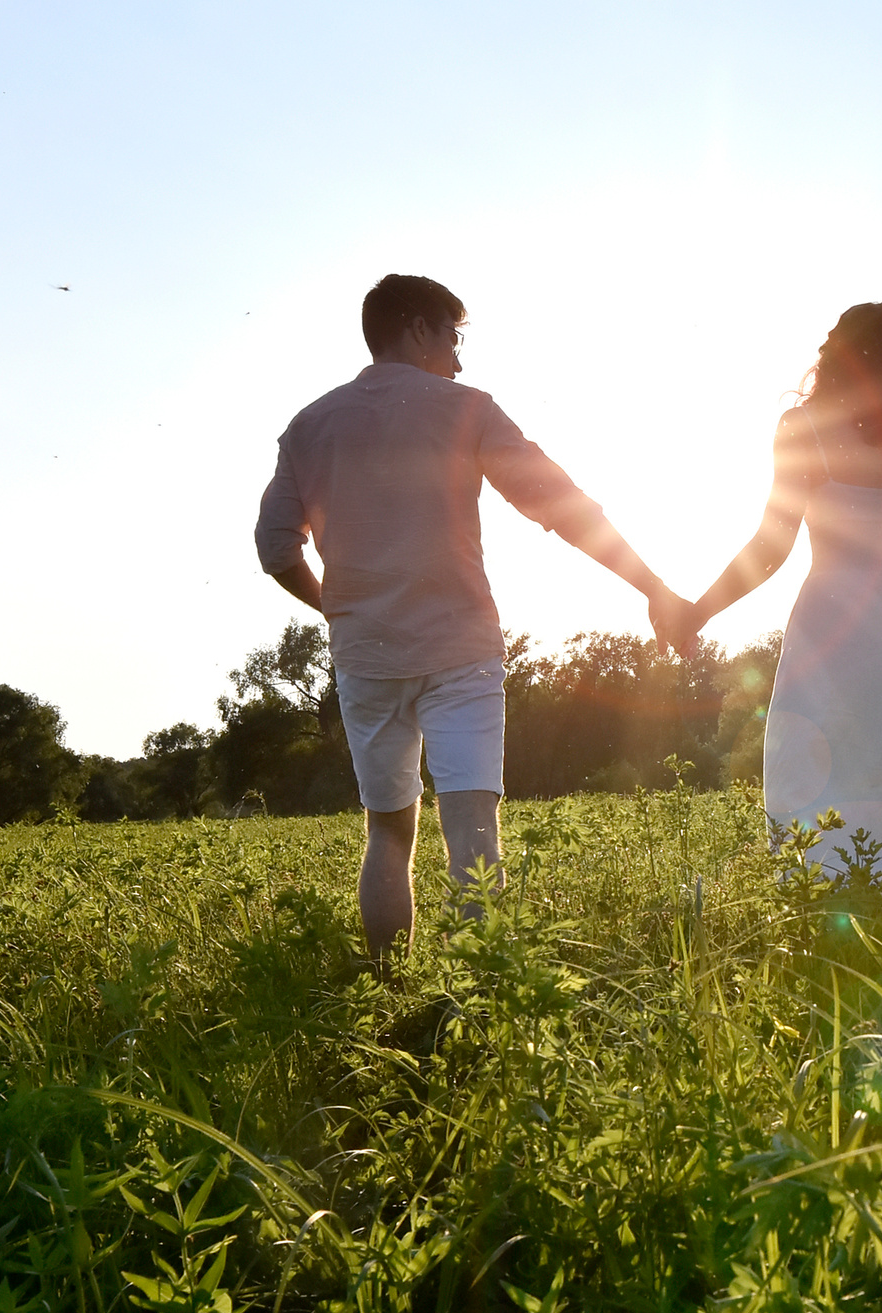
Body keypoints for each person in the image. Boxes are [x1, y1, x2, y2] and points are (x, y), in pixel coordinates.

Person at [255, 273, 687, 957]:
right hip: (460, 650)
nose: (458, 358)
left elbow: (275, 547)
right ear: (419, 329)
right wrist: (652, 586)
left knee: (387, 833)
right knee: (472, 829)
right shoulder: (467, 408)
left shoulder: (308, 426)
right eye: (452, 338)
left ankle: (388, 990)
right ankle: (483, 1000)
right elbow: (561, 505)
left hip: (366, 658)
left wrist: (338, 608)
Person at [674, 302, 882, 883]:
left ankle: (827, 928)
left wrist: (698, 612)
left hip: (834, 635)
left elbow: (770, 549)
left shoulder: (804, 430)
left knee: (819, 790)